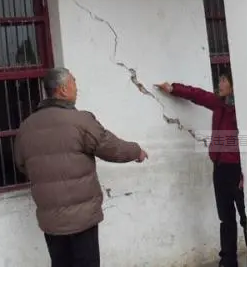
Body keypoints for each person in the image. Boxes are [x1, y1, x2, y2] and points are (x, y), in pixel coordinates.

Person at [14, 67, 148, 267]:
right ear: (63, 89)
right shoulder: (80, 121)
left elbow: (22, 164)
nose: (77, 88)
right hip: (81, 218)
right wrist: (136, 151)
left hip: (51, 219)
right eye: (74, 82)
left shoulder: (27, 126)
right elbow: (111, 147)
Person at [155, 68, 247, 267]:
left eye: (224, 80)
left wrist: (245, 172)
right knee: (225, 217)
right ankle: (228, 261)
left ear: (234, 85)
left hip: (238, 169)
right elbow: (197, 95)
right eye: (219, 80)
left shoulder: (244, 110)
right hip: (220, 168)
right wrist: (173, 88)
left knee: (246, 217)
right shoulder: (218, 103)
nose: (219, 84)